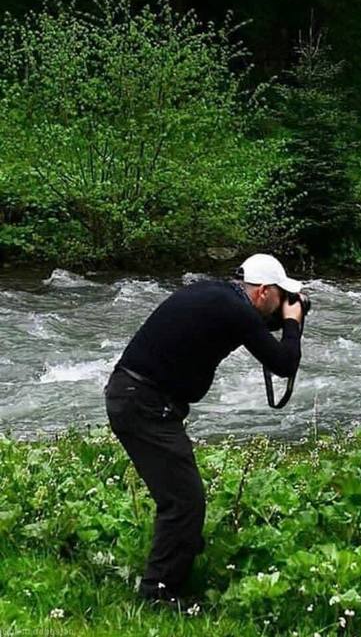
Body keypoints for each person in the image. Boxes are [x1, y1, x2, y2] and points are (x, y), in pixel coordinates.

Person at [104, 254, 304, 608]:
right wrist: (293, 322)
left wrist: (286, 318)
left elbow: (259, 332)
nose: (281, 304)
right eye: (280, 295)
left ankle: (177, 571)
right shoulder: (234, 310)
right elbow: (284, 362)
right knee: (184, 502)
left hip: (138, 397)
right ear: (262, 292)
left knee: (180, 496)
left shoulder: (220, 297)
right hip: (144, 403)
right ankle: (158, 596)